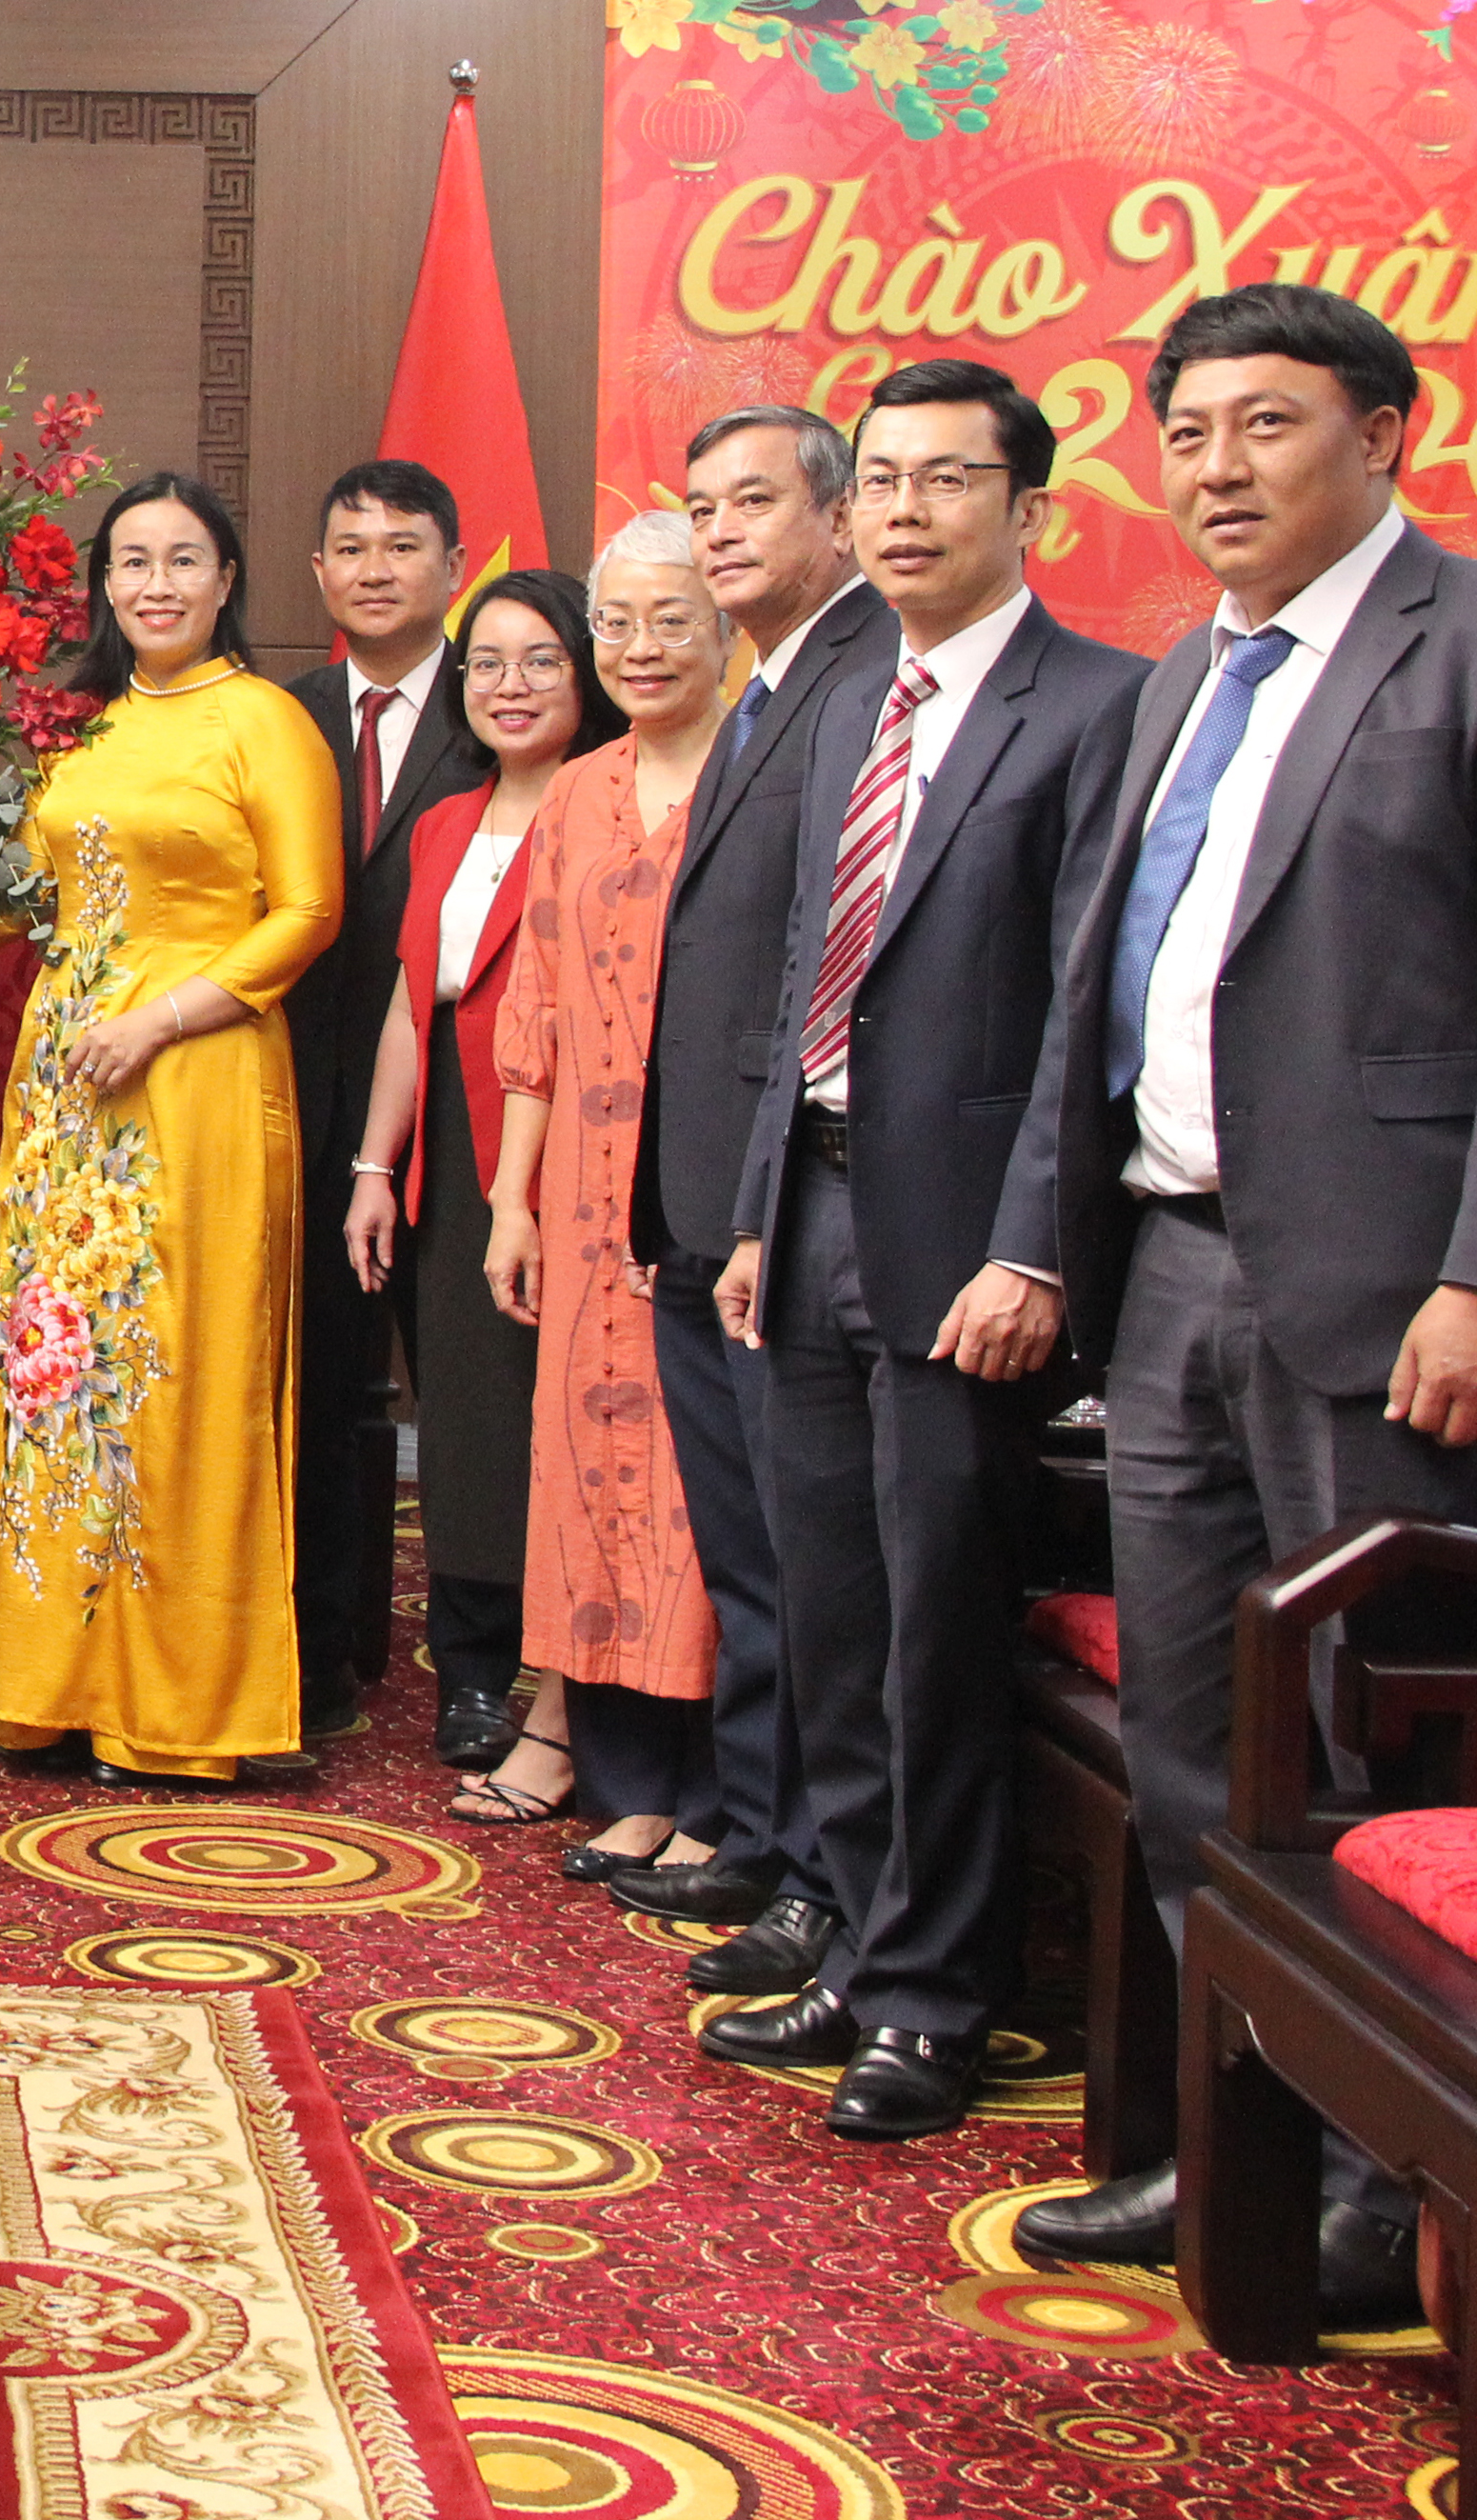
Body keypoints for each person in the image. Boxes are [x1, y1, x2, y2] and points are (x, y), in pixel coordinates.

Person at [1011, 285, 1477, 2318]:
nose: (1213, 467)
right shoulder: (1174, 682)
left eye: (1263, 426)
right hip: (1176, 1266)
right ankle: (1245, 2145)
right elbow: (1105, 992)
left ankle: (1403, 2178)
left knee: (1383, 1737)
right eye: (1184, 431)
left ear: (1382, 433)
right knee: (1201, 1750)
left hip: (1399, 1303)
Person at [708, 359, 1147, 2140]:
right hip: (802, 1206)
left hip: (965, 1246)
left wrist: (1034, 1244)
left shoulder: (1099, 704)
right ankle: (867, 1936)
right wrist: (749, 1208)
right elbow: (798, 980)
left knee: (931, 1620)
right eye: (875, 477)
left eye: (940, 480)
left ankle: (934, 1996)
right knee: (828, 1611)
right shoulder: (840, 705)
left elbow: (1081, 1008)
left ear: (1023, 509)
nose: (897, 509)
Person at [0, 471, 341, 1782]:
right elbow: (25, 901)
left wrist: (159, 1020)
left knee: (180, 1370)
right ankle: (52, 1683)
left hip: (199, 1076)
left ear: (228, 580)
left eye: (182, 559)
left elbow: (308, 911)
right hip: (65, 1089)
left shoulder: (264, 719)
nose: (154, 583)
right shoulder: (84, 730)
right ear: (103, 583)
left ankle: (177, 1708)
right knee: (64, 1374)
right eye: (130, 561)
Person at [611, 407, 895, 2000]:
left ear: (838, 519)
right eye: (698, 506)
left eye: (749, 505)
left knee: (806, 1563)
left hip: (779, 1198)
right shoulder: (769, 681)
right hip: (700, 1186)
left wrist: (750, 1201)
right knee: (750, 1552)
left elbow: (823, 972)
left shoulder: (863, 682)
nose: (716, 535)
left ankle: (812, 1868)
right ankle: (764, 1828)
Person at [479, 514, 740, 1880]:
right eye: (621, 625)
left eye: (671, 622)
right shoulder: (580, 790)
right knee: (583, 1473)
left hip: (701, 1189)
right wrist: (512, 1202)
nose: (642, 650)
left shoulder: (766, 774)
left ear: (728, 630)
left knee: (701, 1494)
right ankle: (626, 1781)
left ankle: (715, 1795)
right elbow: (534, 1004)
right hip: (578, 1195)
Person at [339, 571, 608, 1821]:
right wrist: (376, 1165)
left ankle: (560, 1680)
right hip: (448, 1132)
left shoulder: (615, 804)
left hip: (560, 1143)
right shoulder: (446, 819)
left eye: (539, 660)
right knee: (455, 1411)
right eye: (486, 664)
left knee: (544, 1414)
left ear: (586, 672)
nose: (508, 686)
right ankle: (474, 1668)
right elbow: (407, 1002)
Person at [277, 461, 496, 1754]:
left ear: (453, 565)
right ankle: (321, 1647)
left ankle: (475, 1668)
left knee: (465, 1393)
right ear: (316, 576)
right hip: (298, 1099)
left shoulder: (515, 700)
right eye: (348, 547)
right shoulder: (278, 715)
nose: (373, 568)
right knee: (319, 1389)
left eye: (402, 546)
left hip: (465, 1103)